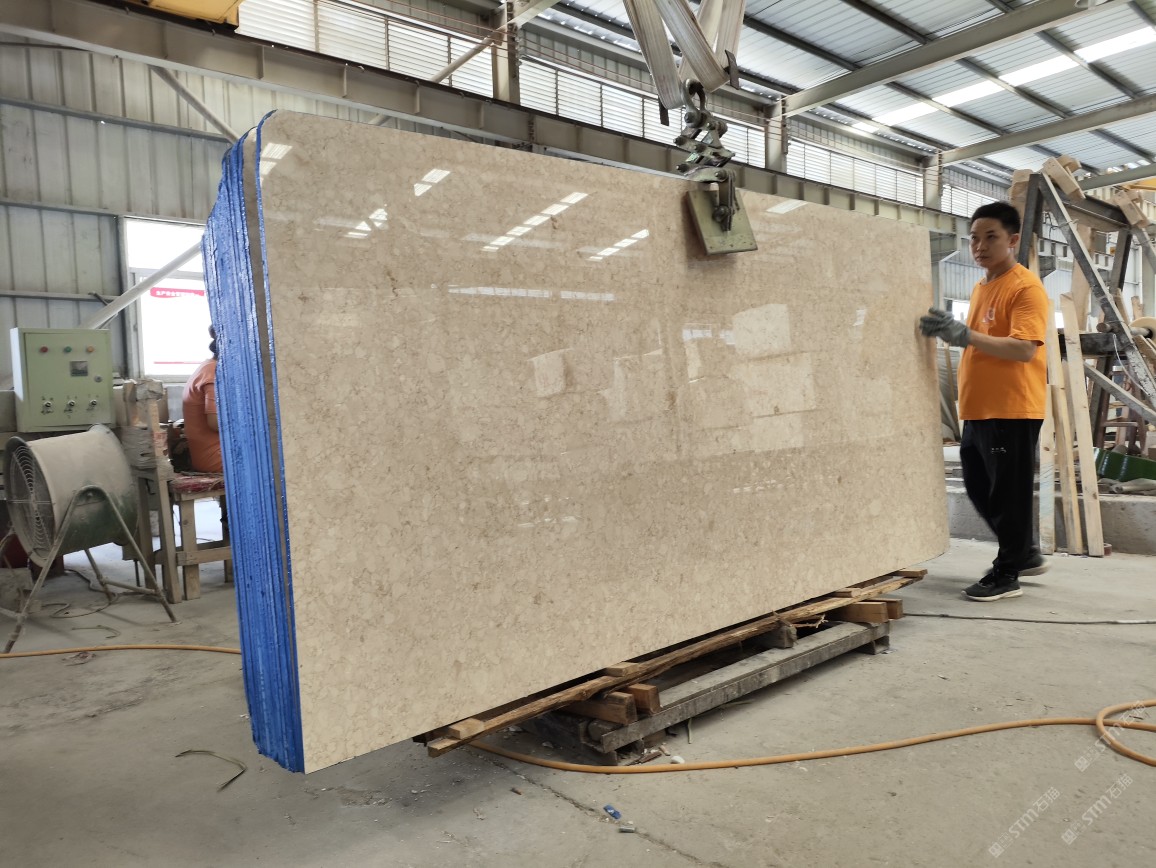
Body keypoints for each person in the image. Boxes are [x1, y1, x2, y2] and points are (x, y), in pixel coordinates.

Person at [920, 201, 1050, 602]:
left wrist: (965, 335)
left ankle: (1007, 573)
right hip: (979, 409)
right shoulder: (981, 286)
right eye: (974, 238)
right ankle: (1023, 551)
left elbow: (1024, 349)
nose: (979, 246)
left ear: (1012, 240)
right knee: (980, 488)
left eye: (991, 237)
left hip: (1011, 409)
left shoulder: (1025, 287)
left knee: (1007, 495)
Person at [182, 325, 222, 474]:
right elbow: (215, 423)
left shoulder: (207, 367)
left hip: (213, 453)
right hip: (216, 457)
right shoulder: (213, 372)